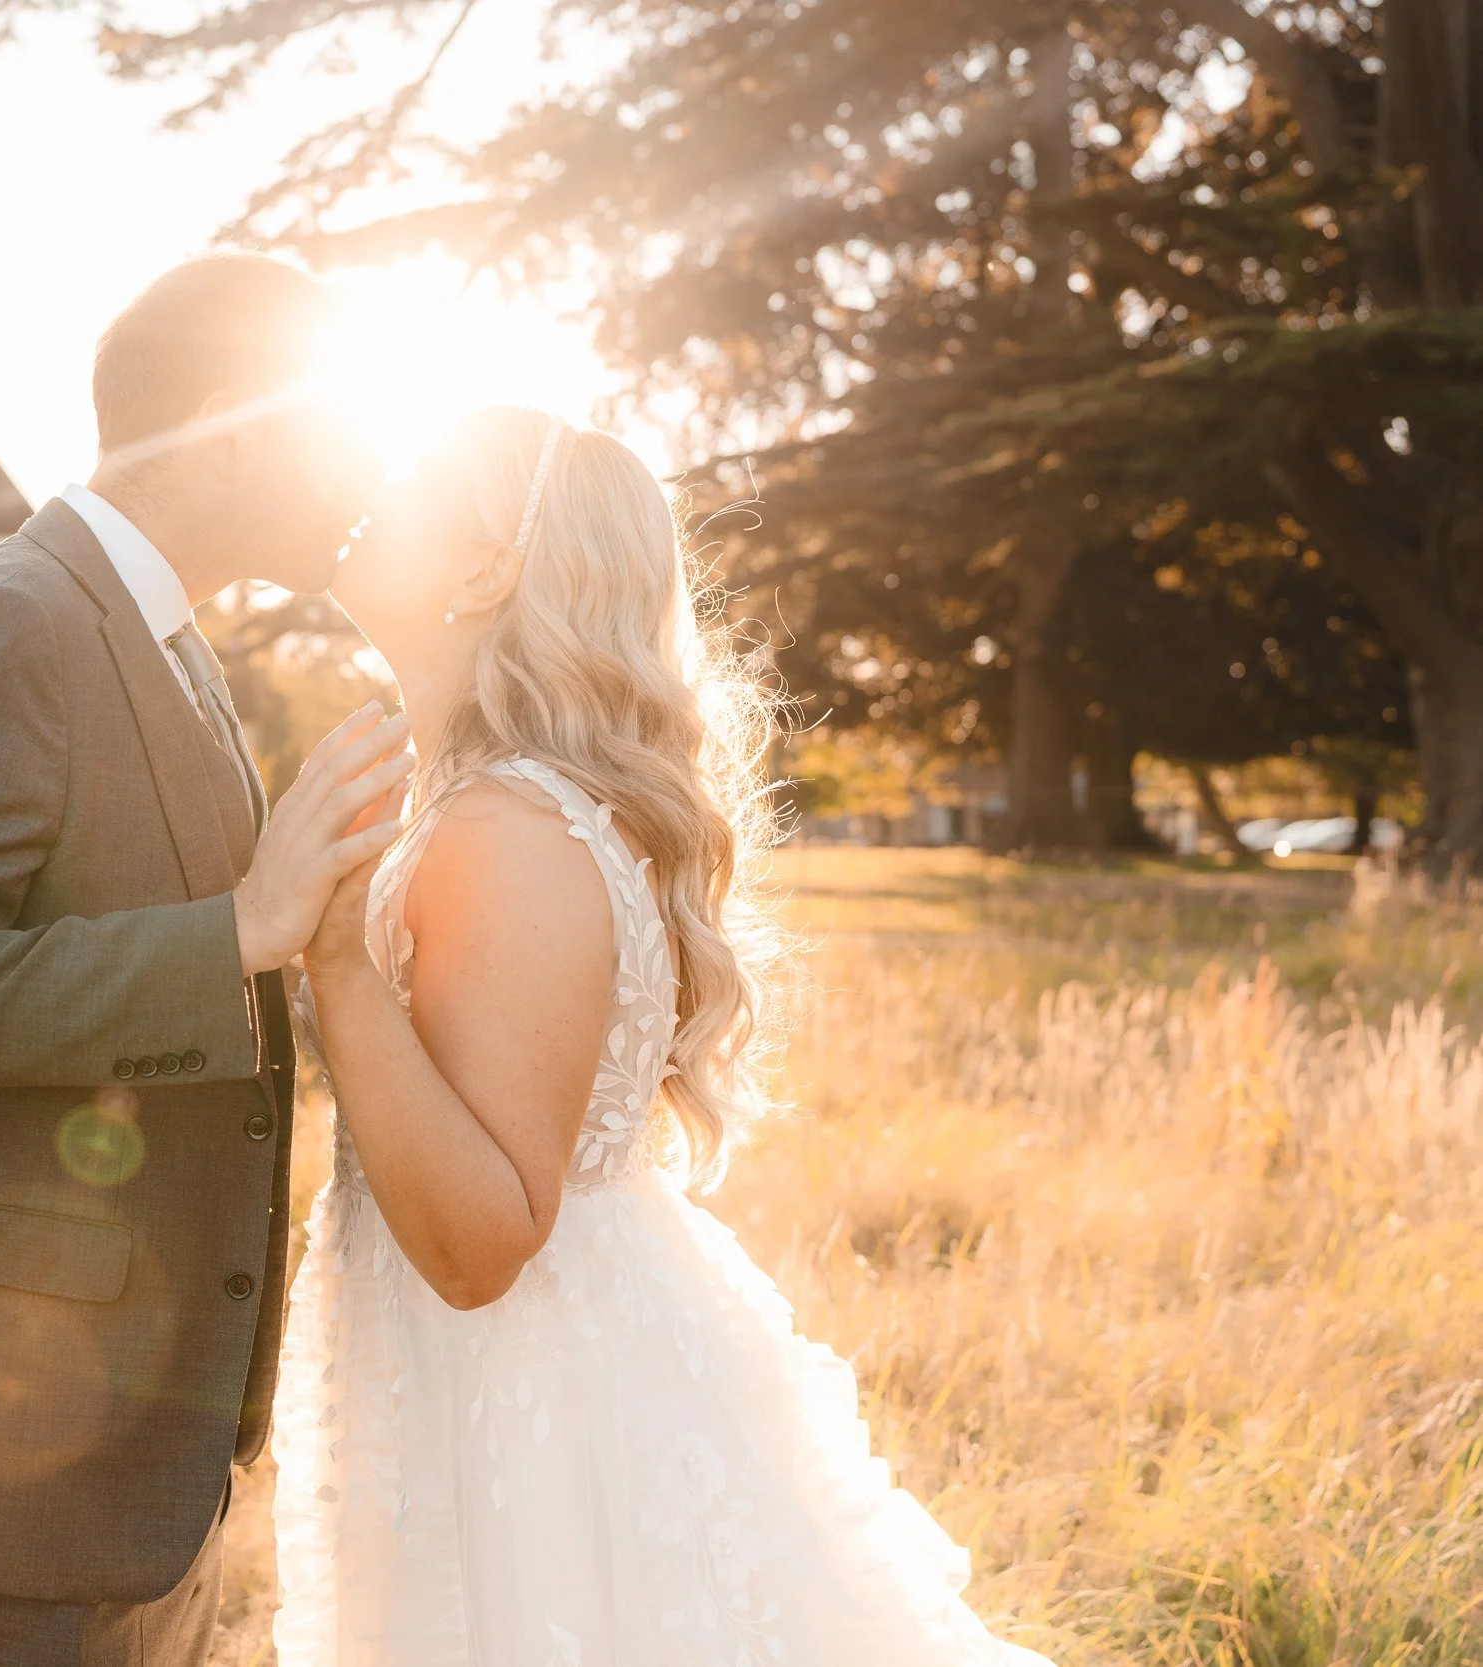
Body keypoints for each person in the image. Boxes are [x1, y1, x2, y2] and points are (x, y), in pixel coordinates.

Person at [273, 407, 1055, 1665]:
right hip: (522, 1363)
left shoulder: (508, 829)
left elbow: (480, 1244)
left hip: (528, 1399)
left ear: (484, 568)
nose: (373, 479)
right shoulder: (480, 803)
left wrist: (329, 961)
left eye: (416, 471)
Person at [0, 253, 400, 1667]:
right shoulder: (11, 618)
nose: (369, 473)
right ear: (230, 426)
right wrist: (240, 928)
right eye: (342, 431)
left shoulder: (172, 641)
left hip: (127, 1459)